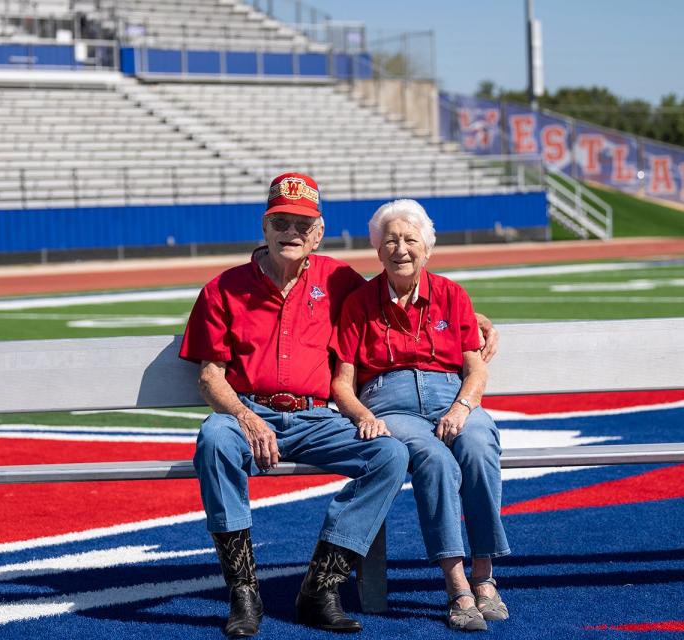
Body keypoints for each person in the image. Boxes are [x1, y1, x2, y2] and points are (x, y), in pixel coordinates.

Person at [180, 175, 498, 637]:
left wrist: (475, 319)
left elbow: (401, 290)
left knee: (389, 454)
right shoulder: (223, 289)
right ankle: (243, 590)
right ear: (265, 227)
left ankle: (321, 586)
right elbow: (210, 375)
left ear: (318, 232)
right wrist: (246, 418)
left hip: (314, 417)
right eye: (281, 222)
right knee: (213, 438)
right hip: (249, 412)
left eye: (302, 225)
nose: (291, 232)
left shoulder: (337, 279)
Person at [330, 199, 510, 632]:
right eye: (390, 240)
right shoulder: (359, 303)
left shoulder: (452, 295)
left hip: (452, 395)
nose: (401, 248)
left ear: (427, 248)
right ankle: (456, 586)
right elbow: (342, 381)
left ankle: (484, 575)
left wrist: (463, 406)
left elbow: (475, 367)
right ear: (377, 251)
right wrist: (361, 415)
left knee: (479, 444)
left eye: (411, 239)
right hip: (390, 403)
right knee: (433, 458)